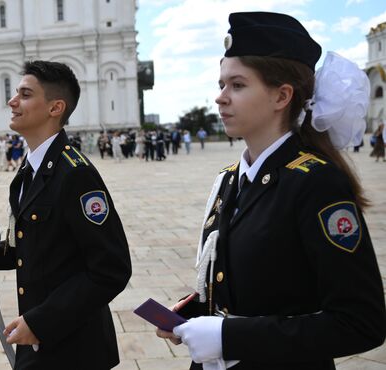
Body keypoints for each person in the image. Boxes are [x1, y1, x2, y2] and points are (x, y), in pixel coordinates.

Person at [156, 12, 386, 370]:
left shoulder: (315, 183)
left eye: (237, 85)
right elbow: (248, 284)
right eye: (221, 84)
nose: (220, 98)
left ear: (281, 96)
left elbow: (361, 323)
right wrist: (194, 313)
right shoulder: (231, 178)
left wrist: (227, 336)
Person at [0, 60, 131, 369]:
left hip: (74, 347)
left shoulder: (75, 174)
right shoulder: (28, 171)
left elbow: (111, 269)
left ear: (55, 107)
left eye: (25, 94)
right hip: (39, 340)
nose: (12, 101)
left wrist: (41, 322)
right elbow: (32, 246)